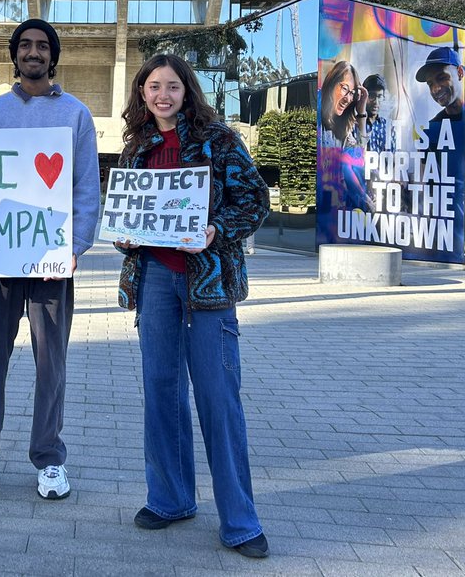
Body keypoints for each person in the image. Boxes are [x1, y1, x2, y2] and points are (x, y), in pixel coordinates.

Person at [114, 53, 270, 559]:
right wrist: (124, 236)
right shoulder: (136, 148)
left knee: (218, 399)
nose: (162, 94)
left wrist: (215, 230)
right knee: (161, 392)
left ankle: (241, 521)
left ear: (187, 91)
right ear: (142, 92)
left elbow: (254, 200)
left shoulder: (220, 140)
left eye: (172, 86)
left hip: (207, 286)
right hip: (155, 280)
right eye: (153, 86)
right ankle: (171, 499)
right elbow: (130, 215)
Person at [0, 18, 99, 502]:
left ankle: (49, 457)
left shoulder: (77, 115)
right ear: (15, 55)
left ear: (52, 56)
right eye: (25, 46)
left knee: (50, 361)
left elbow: (84, 188)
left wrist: (76, 246)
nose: (33, 52)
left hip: (52, 259)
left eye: (42, 46)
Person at [320, 60, 367, 149]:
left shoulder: (343, 129)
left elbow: (358, 157)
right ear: (331, 84)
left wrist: (362, 115)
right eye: (345, 88)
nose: (348, 99)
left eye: (352, 93)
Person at [415, 47, 464, 121]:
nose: (435, 89)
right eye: (430, 84)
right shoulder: (433, 128)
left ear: (460, 73)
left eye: (442, 78)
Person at [362, 73, 395, 154]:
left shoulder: (388, 126)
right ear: (364, 96)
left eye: (379, 96)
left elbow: (393, 158)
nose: (376, 102)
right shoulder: (354, 124)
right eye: (372, 96)